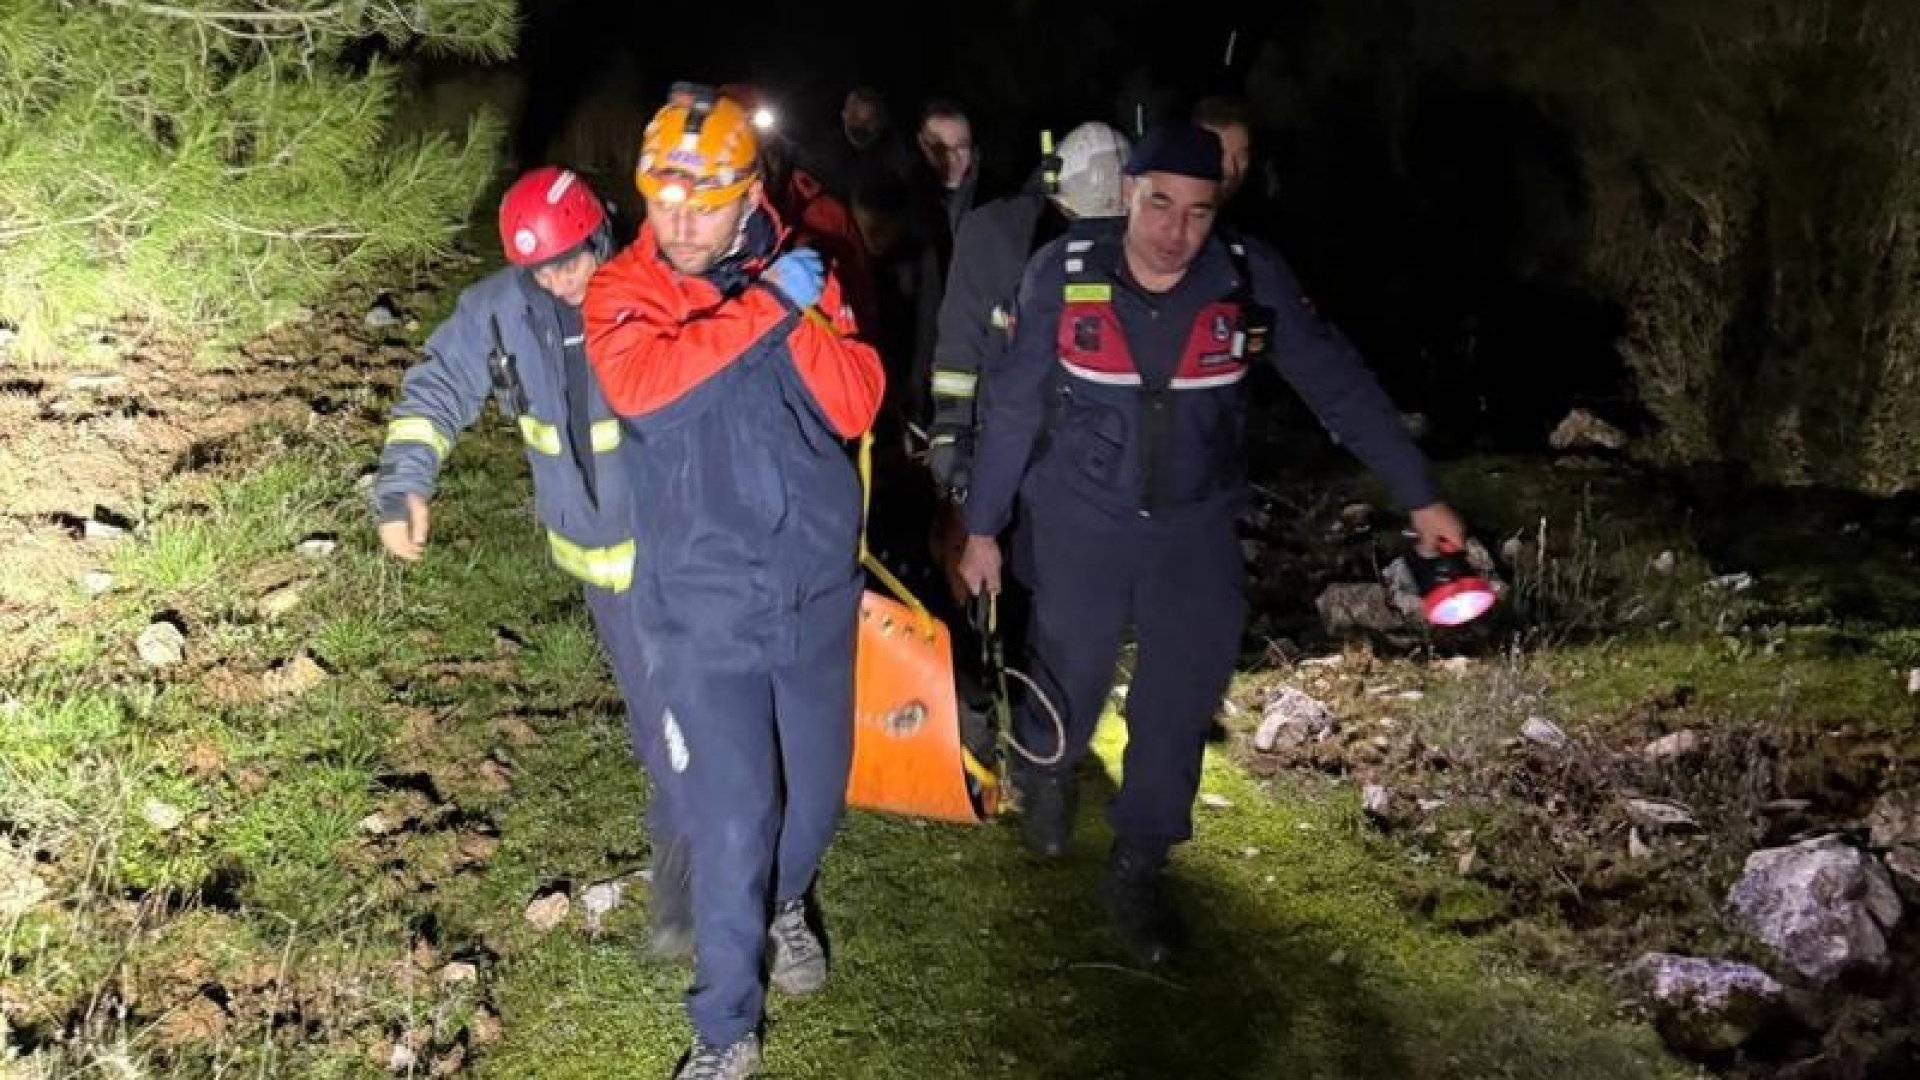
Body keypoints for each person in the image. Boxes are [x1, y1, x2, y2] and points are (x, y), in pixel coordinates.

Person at [954, 124, 1467, 966]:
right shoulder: (1064, 274)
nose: (1174, 230)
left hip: (1194, 529)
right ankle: (1045, 772)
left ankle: (1141, 863)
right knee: (1068, 671)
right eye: (1158, 203)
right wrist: (983, 526)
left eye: (1196, 212)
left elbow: (1336, 382)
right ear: (1127, 194)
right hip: (1082, 518)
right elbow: (1011, 405)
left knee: (1177, 702)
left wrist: (1420, 492)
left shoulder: (1247, 277)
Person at [582, 83, 885, 1080]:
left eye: (703, 203)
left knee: (816, 799)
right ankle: (724, 1033)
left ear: (748, 195)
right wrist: (766, 307)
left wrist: (797, 308)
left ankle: (786, 903)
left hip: (812, 590)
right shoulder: (624, 290)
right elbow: (649, 389)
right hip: (704, 605)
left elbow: (855, 402)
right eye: (663, 199)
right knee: (733, 813)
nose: (678, 221)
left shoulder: (802, 269)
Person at [370, 166, 692, 955]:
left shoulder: (654, 285)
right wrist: (403, 486)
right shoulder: (501, 311)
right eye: (541, 269)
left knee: (686, 731)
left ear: (599, 236)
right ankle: (716, 871)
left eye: (571, 259)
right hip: (604, 576)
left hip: (686, 559)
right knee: (666, 729)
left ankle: (704, 894)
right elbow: (438, 387)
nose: (559, 279)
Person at [925, 120, 1133, 505]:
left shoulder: (1141, 246)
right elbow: (960, 341)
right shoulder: (995, 235)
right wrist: (952, 430)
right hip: (1008, 443)